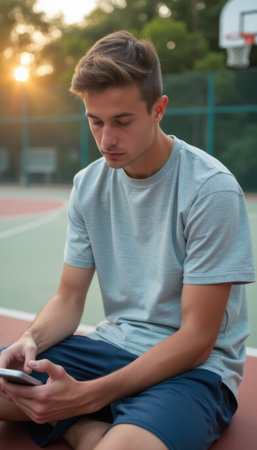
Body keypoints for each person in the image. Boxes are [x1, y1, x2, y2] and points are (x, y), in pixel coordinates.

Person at [0, 30, 255, 450]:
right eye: (95, 122)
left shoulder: (211, 190)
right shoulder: (88, 185)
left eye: (122, 121)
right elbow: (67, 299)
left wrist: (89, 395)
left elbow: (196, 338)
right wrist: (31, 340)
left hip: (193, 370)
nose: (106, 140)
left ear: (159, 110)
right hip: (110, 346)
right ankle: (83, 426)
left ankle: (81, 419)